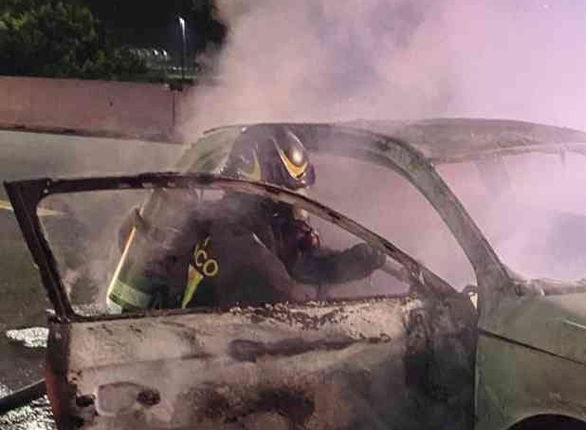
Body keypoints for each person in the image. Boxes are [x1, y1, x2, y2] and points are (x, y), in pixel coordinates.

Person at [106, 125, 384, 312]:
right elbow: (292, 299)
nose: (298, 209)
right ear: (264, 191)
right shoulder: (236, 238)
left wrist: (350, 262)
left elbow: (298, 263)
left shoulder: (244, 223)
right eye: (290, 195)